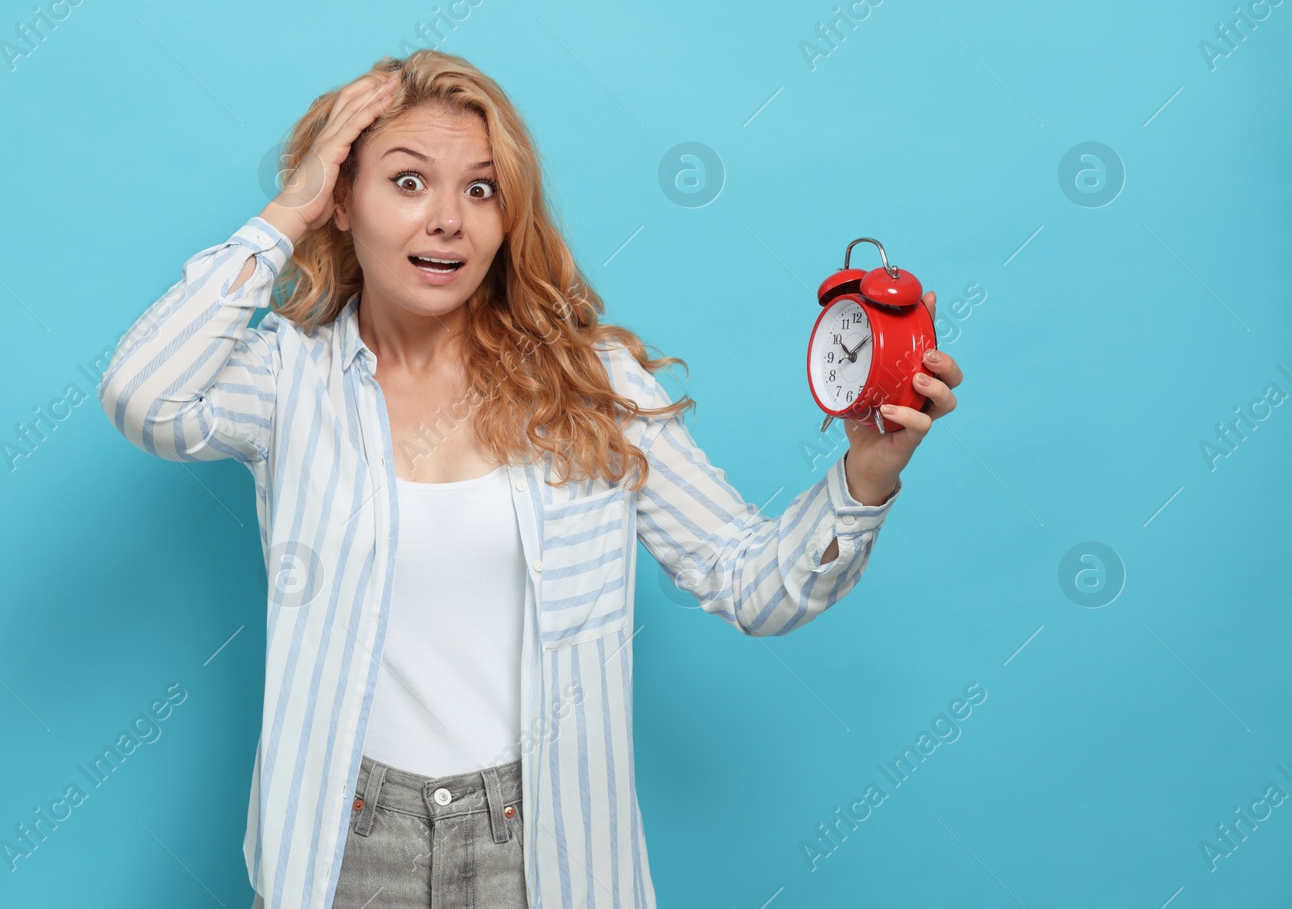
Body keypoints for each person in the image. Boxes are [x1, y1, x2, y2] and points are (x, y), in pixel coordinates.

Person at [96, 50, 963, 909]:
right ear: (343, 201)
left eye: (480, 189)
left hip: (541, 849)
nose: (448, 219)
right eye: (406, 182)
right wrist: (288, 208)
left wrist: (865, 474)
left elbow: (751, 583)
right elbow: (143, 394)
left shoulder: (593, 385)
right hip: (341, 842)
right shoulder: (291, 381)